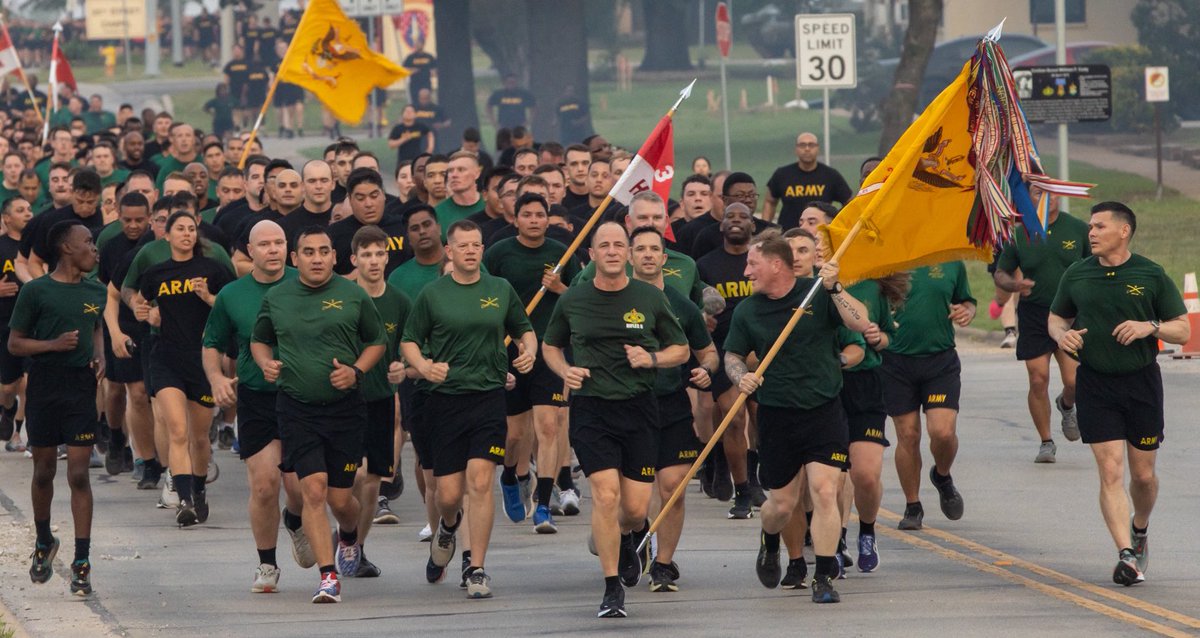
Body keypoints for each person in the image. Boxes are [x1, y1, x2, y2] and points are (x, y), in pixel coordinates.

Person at [542, 222, 689, 618]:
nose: (611, 251)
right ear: (590, 254)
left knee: (635, 509)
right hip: (591, 409)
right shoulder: (573, 299)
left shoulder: (650, 297)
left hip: (640, 408)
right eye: (603, 245)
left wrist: (652, 359)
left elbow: (682, 348)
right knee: (605, 495)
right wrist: (564, 371)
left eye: (617, 245)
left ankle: (632, 535)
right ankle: (611, 589)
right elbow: (550, 344)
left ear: (626, 253)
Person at [1048, 201, 1188, 586]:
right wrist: (1063, 335)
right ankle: (1125, 554)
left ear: (1123, 231)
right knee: (1110, 471)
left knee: (1143, 477)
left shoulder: (1151, 274)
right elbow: (1056, 318)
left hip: (1141, 383)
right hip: (1096, 383)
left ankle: (1139, 528)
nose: (1090, 232)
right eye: (1090, 226)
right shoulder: (1077, 274)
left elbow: (1183, 330)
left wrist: (1150, 327)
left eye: (1099, 226)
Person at [723, 231, 868, 603]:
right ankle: (770, 540)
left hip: (823, 410)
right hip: (777, 415)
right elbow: (732, 356)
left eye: (752, 264)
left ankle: (823, 577)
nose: (746, 271)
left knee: (825, 490)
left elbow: (859, 323)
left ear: (775, 264)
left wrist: (835, 288)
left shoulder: (816, 292)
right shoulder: (748, 310)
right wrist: (743, 376)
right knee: (781, 506)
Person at [401, 219, 536, 599]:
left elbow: (524, 327)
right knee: (447, 494)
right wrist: (425, 367)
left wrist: (529, 351)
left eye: (477, 244)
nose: (472, 251)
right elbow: (409, 341)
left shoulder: (500, 289)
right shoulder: (433, 294)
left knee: (480, 482)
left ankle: (476, 568)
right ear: (450, 250)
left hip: (488, 397)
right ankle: (447, 527)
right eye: (464, 246)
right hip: (445, 402)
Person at [251, 226, 386, 604]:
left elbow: (377, 341)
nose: (316, 258)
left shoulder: (352, 294)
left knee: (342, 501)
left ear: (334, 257)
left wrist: (355, 371)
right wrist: (266, 363)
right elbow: (259, 338)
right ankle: (328, 577)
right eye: (307, 252)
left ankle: (348, 536)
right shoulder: (277, 297)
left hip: (345, 410)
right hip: (297, 407)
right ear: (295, 259)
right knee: (313, 489)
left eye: (323, 251)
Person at [202, 220, 313, 593]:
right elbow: (212, 343)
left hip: (303, 396)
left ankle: (295, 521)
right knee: (264, 485)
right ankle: (267, 564)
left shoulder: (308, 283)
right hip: (257, 397)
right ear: (250, 251)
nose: (273, 249)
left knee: (299, 489)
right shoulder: (233, 294)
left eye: (279, 242)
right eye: (264, 244)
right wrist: (218, 379)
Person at [9, 220, 106, 597]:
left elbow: (95, 326)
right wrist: (53, 345)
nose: (94, 249)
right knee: (44, 470)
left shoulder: (96, 290)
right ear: (67, 248)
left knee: (79, 474)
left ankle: (82, 560)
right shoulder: (36, 291)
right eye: (88, 242)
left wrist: (99, 357)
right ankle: (44, 539)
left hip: (80, 389)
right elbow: (16, 344)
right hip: (45, 387)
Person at [483, 193, 581, 531]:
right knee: (514, 434)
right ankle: (510, 476)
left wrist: (558, 287)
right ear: (516, 218)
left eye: (541, 214)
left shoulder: (562, 253)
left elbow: (581, 300)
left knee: (550, 427)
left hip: (552, 349)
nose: (535, 220)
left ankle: (543, 504)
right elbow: (484, 294)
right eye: (528, 214)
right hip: (512, 349)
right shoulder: (499, 253)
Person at [628, 226, 718, 593]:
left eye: (655, 249)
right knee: (631, 501)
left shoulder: (681, 305)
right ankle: (632, 537)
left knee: (673, 488)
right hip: (626, 406)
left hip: (671, 405)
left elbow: (708, 351)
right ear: (630, 256)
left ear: (665, 259)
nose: (648, 255)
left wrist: (705, 370)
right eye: (641, 249)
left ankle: (662, 564)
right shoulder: (615, 299)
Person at [137, 211, 235, 526]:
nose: (187, 234)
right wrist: (146, 313)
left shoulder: (213, 270)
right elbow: (141, 304)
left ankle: (198, 486)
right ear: (167, 234)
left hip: (202, 360)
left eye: (191, 229)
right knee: (177, 430)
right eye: (180, 228)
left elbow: (232, 306)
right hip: (165, 357)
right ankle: (185, 500)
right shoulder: (156, 273)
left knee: (199, 436)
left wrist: (208, 297)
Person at [994, 183, 1090, 462]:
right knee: (1038, 379)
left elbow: (1094, 265)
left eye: (1052, 190)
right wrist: (1014, 284)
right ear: (1027, 198)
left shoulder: (1078, 229)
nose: (1048, 196)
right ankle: (1046, 441)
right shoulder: (1019, 234)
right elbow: (1001, 272)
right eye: (1039, 192)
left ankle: (1067, 404)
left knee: (1073, 379)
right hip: (1035, 313)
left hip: (1070, 314)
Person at [882, 260, 976, 530]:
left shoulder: (950, 261)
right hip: (895, 361)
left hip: (940, 360)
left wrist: (966, 310)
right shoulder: (886, 259)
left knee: (943, 432)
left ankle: (942, 476)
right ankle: (913, 505)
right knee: (908, 435)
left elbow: (966, 301)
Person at [343, 226, 411, 578]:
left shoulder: (399, 301)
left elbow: (412, 343)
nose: (373, 261)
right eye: (365, 254)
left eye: (379, 253)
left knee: (372, 479)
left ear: (387, 256)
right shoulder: (341, 297)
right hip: (343, 401)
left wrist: (405, 366)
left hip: (382, 399)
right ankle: (346, 534)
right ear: (354, 259)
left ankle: (357, 548)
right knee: (352, 476)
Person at [696, 202, 761, 517]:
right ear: (720, 225)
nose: (736, 221)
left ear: (754, 224)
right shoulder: (705, 265)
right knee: (734, 417)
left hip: (763, 349)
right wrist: (701, 317)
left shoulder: (762, 262)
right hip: (724, 348)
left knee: (760, 416)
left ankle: (756, 474)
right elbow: (695, 304)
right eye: (729, 217)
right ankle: (743, 490)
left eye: (743, 217)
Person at [762, 132, 851, 229]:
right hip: (787, 234)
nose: (807, 149)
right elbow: (770, 202)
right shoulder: (782, 174)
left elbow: (849, 203)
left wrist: (837, 224)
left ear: (818, 149)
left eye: (811, 145)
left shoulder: (831, 175)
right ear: (796, 149)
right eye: (802, 145)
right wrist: (765, 229)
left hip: (820, 235)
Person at [0, 197, 30, 451]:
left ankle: (20, 432)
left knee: (31, 381)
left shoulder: (36, 247)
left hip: (34, 324)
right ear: (6, 218)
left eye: (29, 209)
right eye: (20, 210)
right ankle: (7, 409)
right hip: (5, 324)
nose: (27, 214)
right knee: (8, 386)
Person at [402, 39, 437, 106]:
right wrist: (412, 70)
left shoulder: (429, 57)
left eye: (419, 44)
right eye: (416, 44)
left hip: (426, 82)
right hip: (414, 84)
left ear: (423, 44)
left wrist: (433, 72)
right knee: (415, 102)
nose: (417, 45)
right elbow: (404, 68)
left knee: (426, 101)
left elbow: (435, 69)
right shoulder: (410, 57)